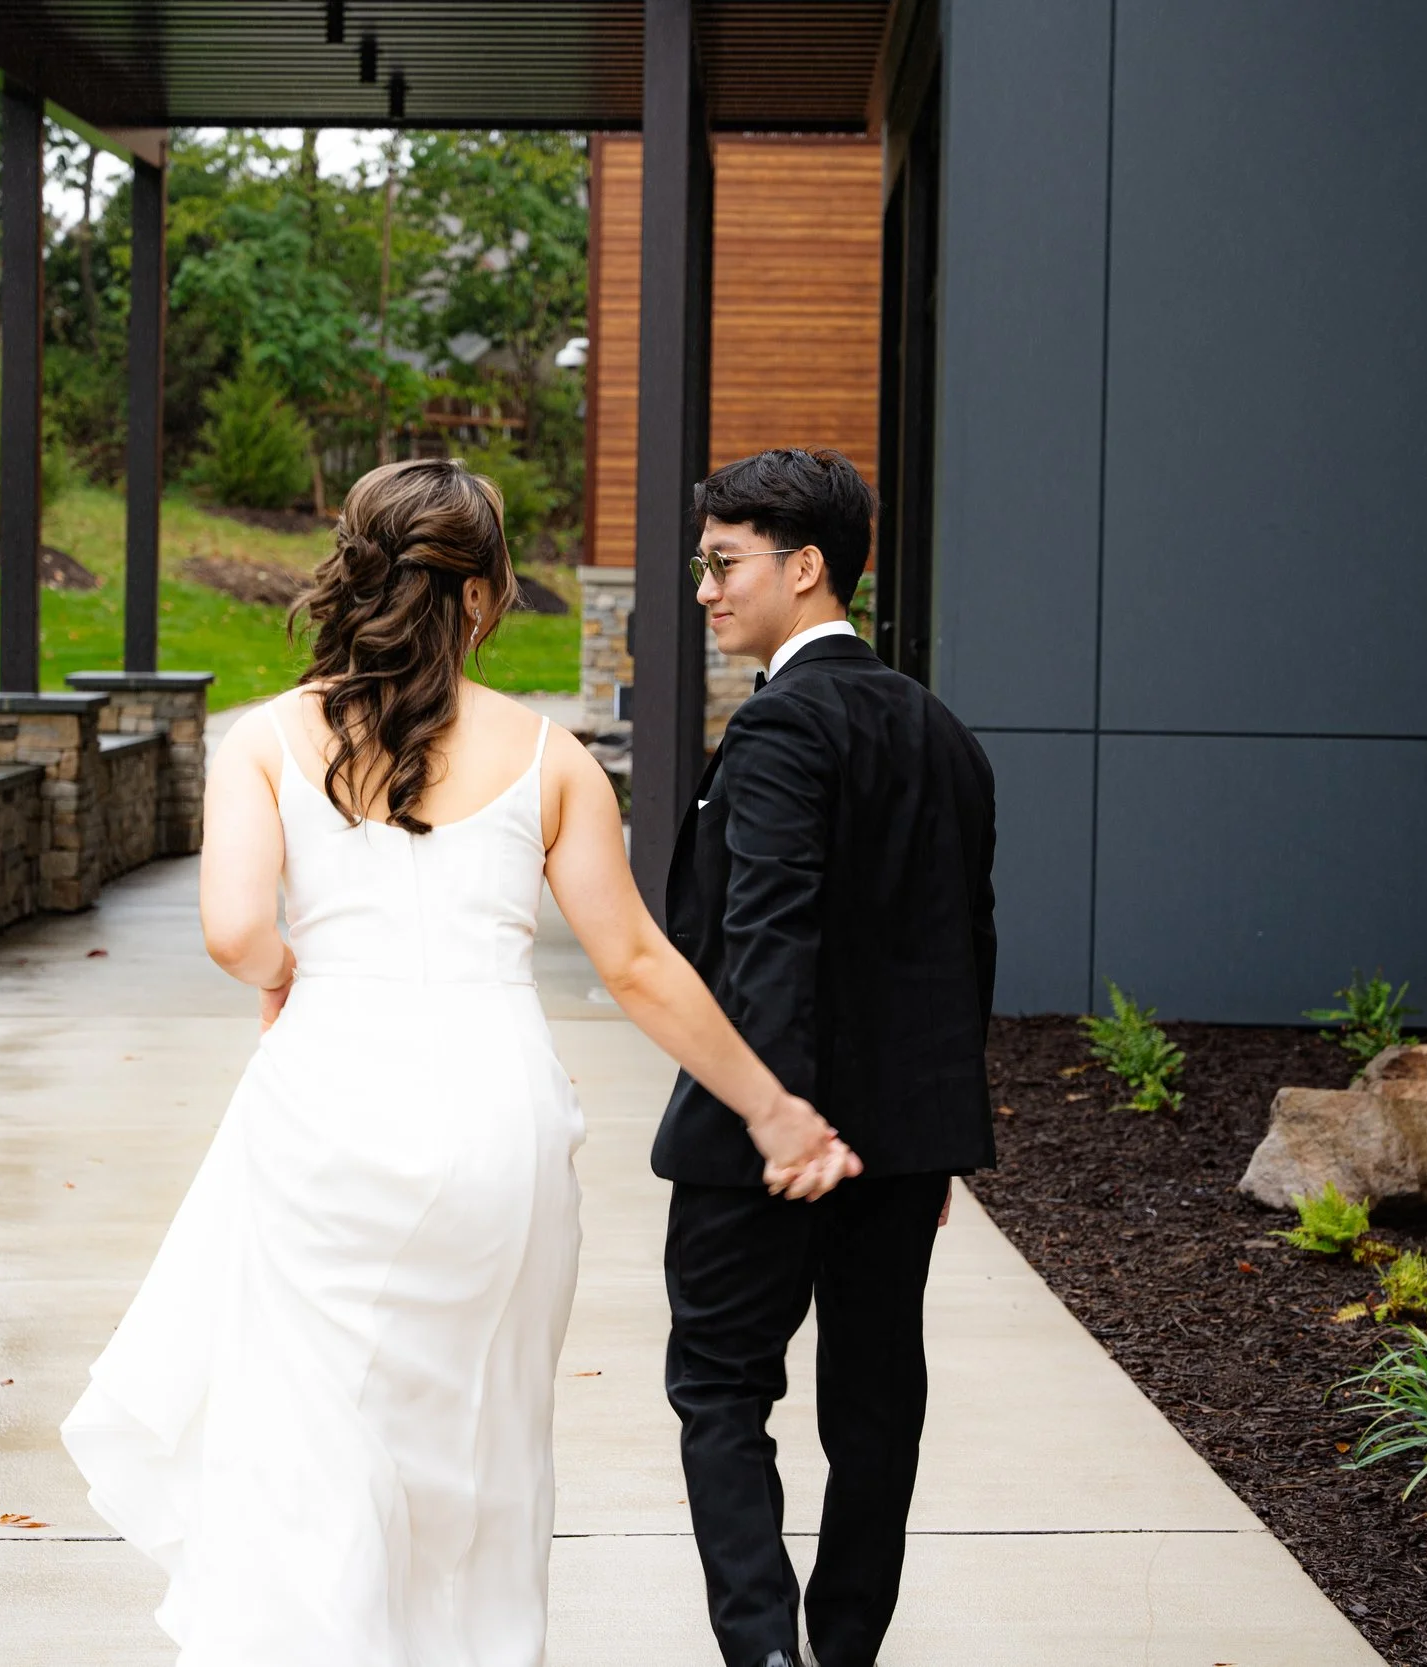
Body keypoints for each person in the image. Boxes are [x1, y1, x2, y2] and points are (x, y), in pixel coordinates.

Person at [60, 456, 859, 1666]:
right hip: (497, 1123)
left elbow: (231, 930)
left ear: (354, 570)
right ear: (485, 594)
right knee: (481, 1444)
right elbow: (639, 960)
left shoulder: (267, 738)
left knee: (311, 1434)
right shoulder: (551, 760)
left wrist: (285, 972)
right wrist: (772, 1109)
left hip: (324, 1104)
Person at [658, 448, 999, 1667]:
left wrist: (773, 1115)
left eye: (723, 562)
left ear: (804, 568)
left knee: (716, 1386)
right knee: (874, 1406)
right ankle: (841, 1649)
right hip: (902, 1147)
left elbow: (765, 942)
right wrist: (938, 1137)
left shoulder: (781, 728)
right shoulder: (945, 733)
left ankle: (762, 1653)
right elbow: (965, 955)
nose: (703, 587)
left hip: (774, 1143)